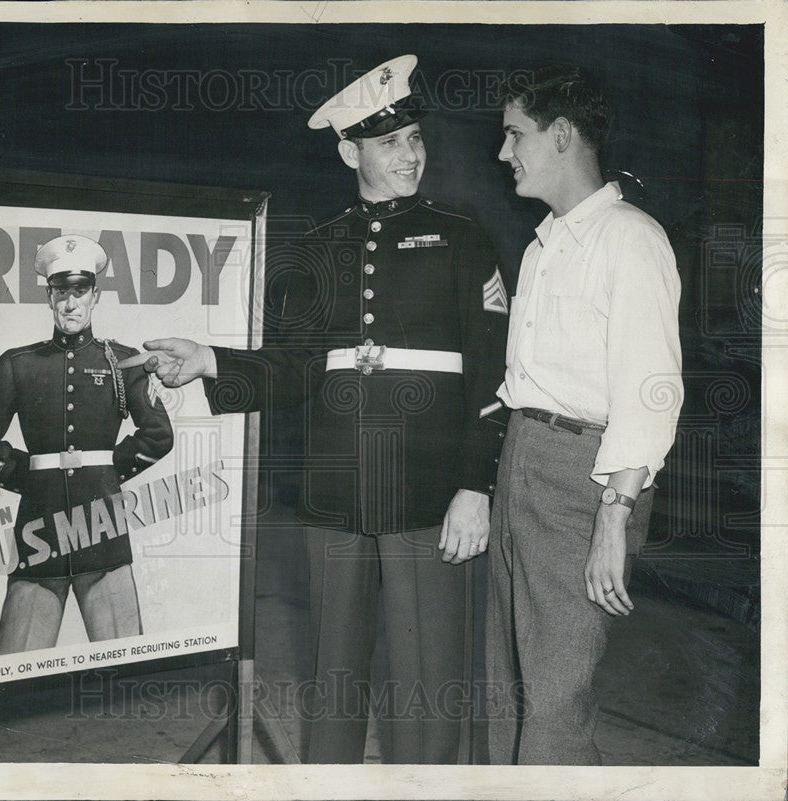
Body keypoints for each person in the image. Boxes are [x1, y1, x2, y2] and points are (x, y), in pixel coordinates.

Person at [140, 55, 509, 763]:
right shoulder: (317, 251)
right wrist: (212, 361)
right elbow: (295, 368)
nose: (411, 154)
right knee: (333, 677)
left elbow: (493, 379)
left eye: (415, 138)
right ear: (350, 151)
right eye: (389, 142)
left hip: (429, 495)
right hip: (335, 497)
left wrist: (475, 484)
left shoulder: (463, 239)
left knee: (426, 680)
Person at [486, 65, 683, 764]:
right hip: (522, 464)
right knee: (507, 693)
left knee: (555, 702)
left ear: (562, 134)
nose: (504, 153)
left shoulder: (631, 240)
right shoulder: (547, 244)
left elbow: (652, 392)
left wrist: (614, 516)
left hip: (586, 482)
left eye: (516, 135)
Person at [0, 235, 174, 655]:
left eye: (80, 291)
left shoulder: (123, 361)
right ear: (49, 297)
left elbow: (159, 435)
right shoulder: (16, 364)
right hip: (40, 529)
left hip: (103, 525)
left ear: (95, 296)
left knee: (123, 664)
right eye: (62, 292)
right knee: (13, 671)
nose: (71, 303)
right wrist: (32, 475)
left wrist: (106, 473)